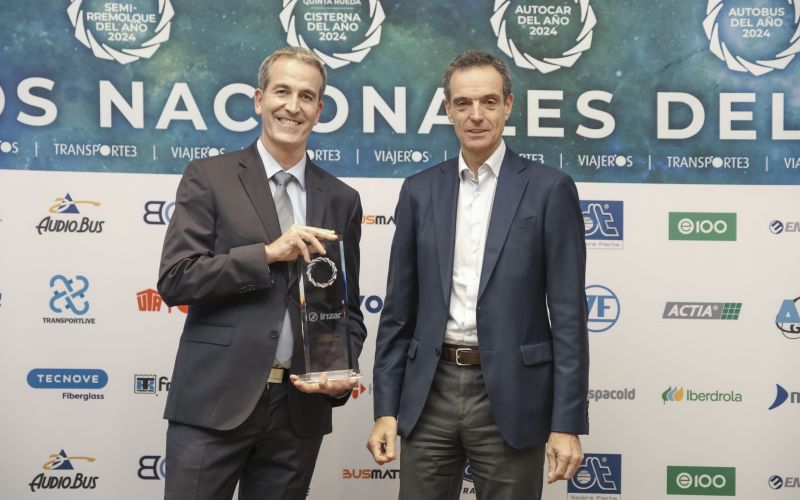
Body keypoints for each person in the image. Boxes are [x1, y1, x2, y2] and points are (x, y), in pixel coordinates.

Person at [367, 50, 589, 500]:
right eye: (463, 103)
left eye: (488, 102)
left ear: (508, 105)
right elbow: (398, 311)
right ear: (447, 109)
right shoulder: (418, 190)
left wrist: (566, 423)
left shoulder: (550, 189)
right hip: (429, 392)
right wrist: (385, 409)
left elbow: (569, 317)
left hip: (512, 393)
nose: (476, 115)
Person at [157, 46, 366, 500]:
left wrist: (338, 371)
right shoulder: (209, 177)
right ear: (259, 99)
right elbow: (177, 278)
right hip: (214, 402)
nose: (293, 106)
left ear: (320, 110)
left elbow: (347, 308)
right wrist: (268, 254)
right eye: (282, 92)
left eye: (306, 96)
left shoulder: (342, 199)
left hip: (298, 412)